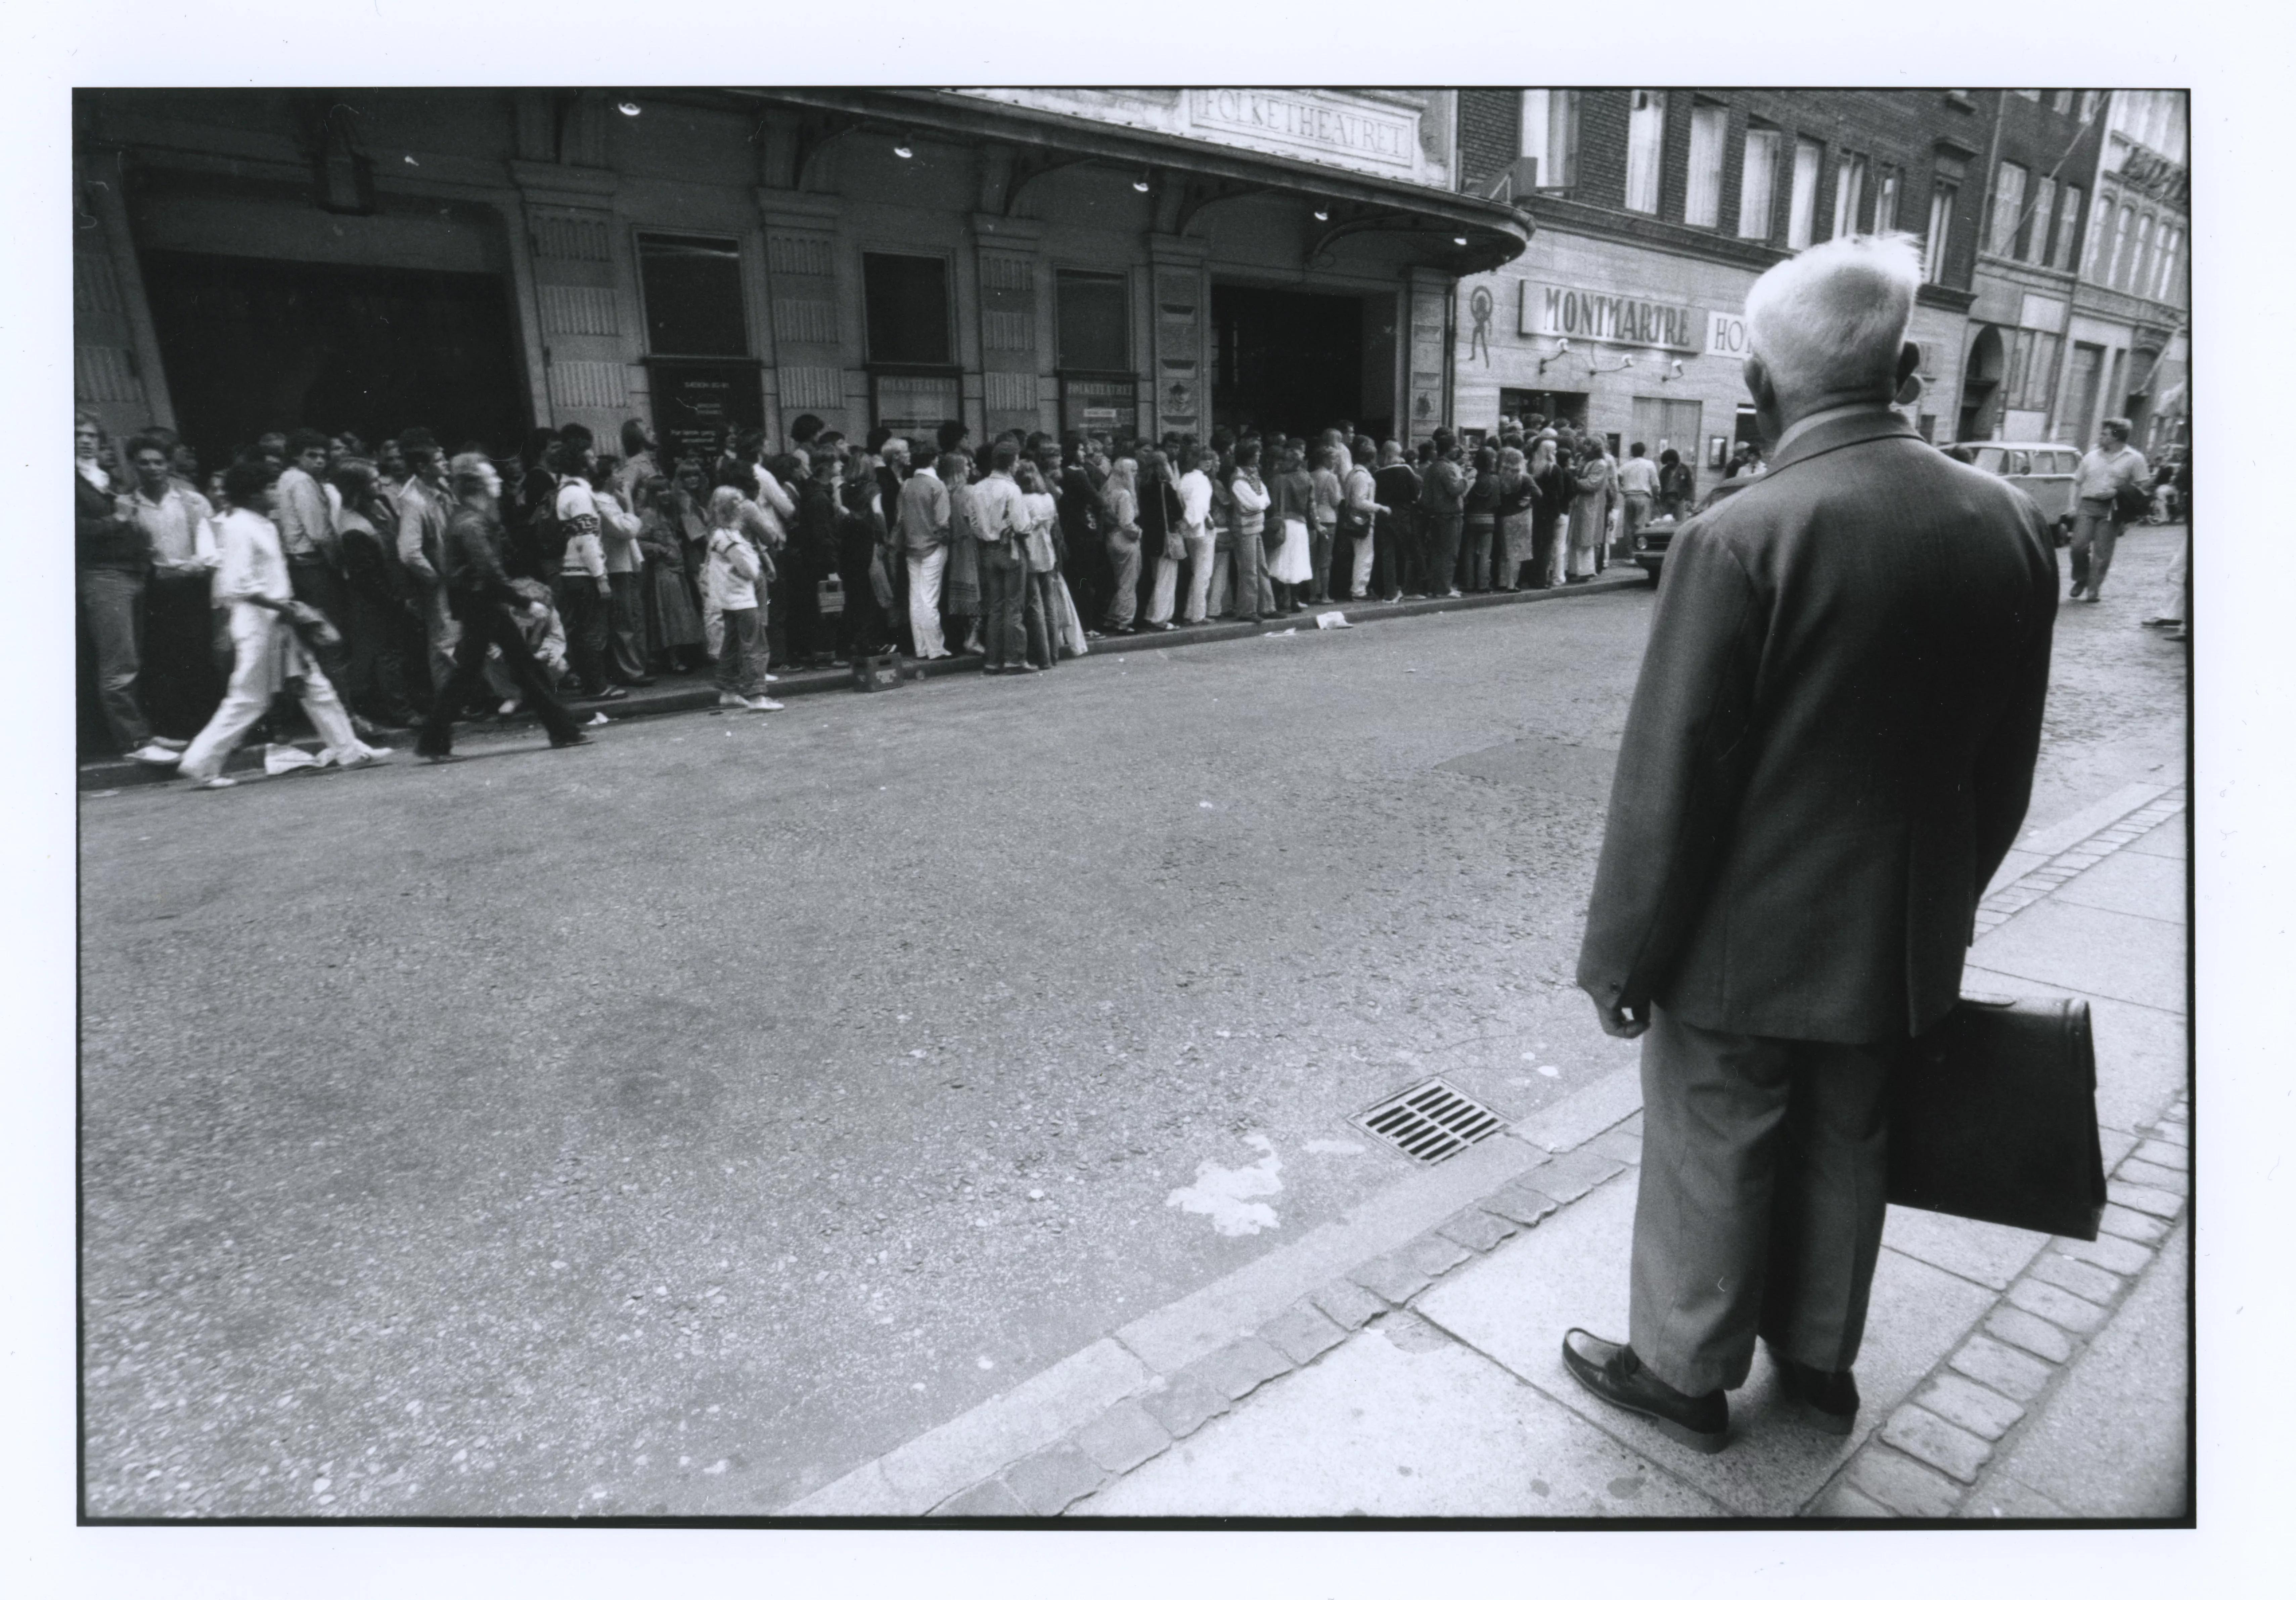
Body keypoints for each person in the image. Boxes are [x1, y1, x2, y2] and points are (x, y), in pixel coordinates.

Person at [1563, 233, 2058, 1455]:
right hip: (1898, 933)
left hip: (1744, 936)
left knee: (1712, 1136)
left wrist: (1620, 961)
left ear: (1760, 388)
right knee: (1850, 1134)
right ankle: (1820, 1358)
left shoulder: (1741, 535)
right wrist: (1939, 899)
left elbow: (1669, 785)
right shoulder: (2006, 521)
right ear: (1903, 371)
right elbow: (2005, 767)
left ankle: (1680, 1370)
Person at [178, 459, 393, 787]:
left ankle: (349, 750)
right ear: (251, 493)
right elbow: (237, 584)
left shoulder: (261, 524)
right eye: (268, 487)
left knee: (315, 686)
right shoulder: (239, 527)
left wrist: (286, 610)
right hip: (260, 623)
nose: (274, 493)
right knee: (249, 698)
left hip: (277, 619)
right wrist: (284, 607)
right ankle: (200, 762)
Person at [415, 454, 592, 760]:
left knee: (510, 668)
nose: (498, 481)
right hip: (482, 603)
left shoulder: (471, 517)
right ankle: (563, 730)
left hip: (482, 603)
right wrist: (525, 602)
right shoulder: (471, 522)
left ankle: (563, 730)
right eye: (491, 478)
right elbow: (488, 571)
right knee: (502, 669)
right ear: (477, 486)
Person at [78, 415, 179, 766]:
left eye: (91, 435)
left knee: (131, 660)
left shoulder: (103, 477)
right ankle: (134, 740)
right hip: (103, 575)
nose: (86, 441)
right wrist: (117, 520)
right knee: (119, 665)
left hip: (130, 571)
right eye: (77, 435)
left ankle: (143, 733)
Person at [124, 431, 222, 742]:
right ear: (134, 466)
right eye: (144, 463)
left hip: (191, 587)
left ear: (169, 465)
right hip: (153, 590)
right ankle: (179, 729)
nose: (153, 469)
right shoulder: (128, 505)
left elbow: (216, 546)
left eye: (159, 462)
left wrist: (197, 564)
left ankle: (212, 730)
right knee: (164, 661)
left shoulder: (193, 501)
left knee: (200, 656)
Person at [331, 459, 422, 730]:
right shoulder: (353, 527)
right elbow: (367, 580)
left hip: (395, 591)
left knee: (396, 651)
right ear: (357, 487)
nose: (379, 484)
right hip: (378, 601)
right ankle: (401, 711)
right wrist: (396, 602)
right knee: (388, 654)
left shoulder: (376, 506)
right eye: (372, 480)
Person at [702, 486, 781, 710]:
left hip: (729, 599)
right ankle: (757, 694)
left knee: (732, 644)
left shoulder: (719, 534)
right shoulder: (728, 536)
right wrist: (755, 563)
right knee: (755, 644)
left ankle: (728, 690)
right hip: (741, 598)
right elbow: (749, 569)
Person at [2068, 417, 2150, 603]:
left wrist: (2118, 491)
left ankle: (2093, 589)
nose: (2100, 437)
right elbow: (2077, 482)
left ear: (2116, 436)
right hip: (2088, 506)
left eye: (2104, 434)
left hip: (2113, 509)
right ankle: (2081, 579)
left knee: (2102, 552)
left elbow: (2144, 486)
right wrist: (2072, 506)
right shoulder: (2091, 457)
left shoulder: (2135, 459)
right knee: (2077, 547)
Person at [972, 439, 1034, 674]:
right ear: (1010, 463)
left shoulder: (978, 487)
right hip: (1011, 549)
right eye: (1017, 460)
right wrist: (1029, 525)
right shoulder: (1012, 489)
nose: (1018, 465)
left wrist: (987, 533)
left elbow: (974, 523)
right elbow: (1022, 525)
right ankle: (1015, 658)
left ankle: (993, 660)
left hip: (988, 549)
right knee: (1014, 607)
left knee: (996, 607)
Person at [635, 476, 707, 674]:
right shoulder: (649, 515)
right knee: (669, 615)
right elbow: (638, 542)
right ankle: (673, 660)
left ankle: (679, 657)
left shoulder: (668, 514)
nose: (665, 494)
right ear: (652, 495)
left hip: (677, 569)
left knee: (678, 614)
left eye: (667, 489)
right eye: (660, 491)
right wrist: (659, 548)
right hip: (663, 571)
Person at [1138, 449, 1185, 632]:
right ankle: (1161, 618)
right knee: (1166, 580)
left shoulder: (1143, 485)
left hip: (1150, 539)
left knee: (1155, 578)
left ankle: (1151, 615)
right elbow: (1178, 513)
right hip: (1167, 539)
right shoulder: (1165, 488)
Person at [1227, 440, 1275, 619]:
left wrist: (1260, 503)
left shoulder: (1252, 476)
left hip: (1255, 527)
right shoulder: (1239, 479)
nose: (1259, 456)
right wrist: (1260, 502)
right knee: (1249, 571)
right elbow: (1257, 503)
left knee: (1261, 568)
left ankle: (1267, 607)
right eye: (1256, 453)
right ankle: (1248, 610)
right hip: (1245, 529)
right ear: (1248, 456)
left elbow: (1264, 501)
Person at [1420, 430, 1468, 599]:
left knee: (1438, 552)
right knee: (1449, 553)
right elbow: (1456, 490)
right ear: (1448, 449)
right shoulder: (1447, 468)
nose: (1457, 450)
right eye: (1455, 447)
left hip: (1436, 515)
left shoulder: (1434, 467)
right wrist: (1466, 478)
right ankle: (1444, 588)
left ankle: (1435, 587)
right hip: (1450, 515)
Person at [1100, 453, 1143, 636]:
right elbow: (1127, 523)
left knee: (1121, 581)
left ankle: (1113, 616)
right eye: (1134, 472)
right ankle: (1125, 621)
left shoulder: (1108, 491)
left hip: (1111, 538)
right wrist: (1139, 532)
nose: (1136, 475)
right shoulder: (1125, 494)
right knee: (1129, 582)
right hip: (1125, 539)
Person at [1371, 442, 1419, 601]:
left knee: (1388, 555)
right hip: (1404, 516)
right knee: (1408, 553)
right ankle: (1408, 589)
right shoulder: (1406, 471)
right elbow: (1415, 495)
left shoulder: (1378, 474)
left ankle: (1391, 592)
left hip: (1384, 517)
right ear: (1398, 454)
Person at [1176, 446, 1218, 624]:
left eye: (1210, 459)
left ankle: (1191, 612)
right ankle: (1198, 614)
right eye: (1204, 459)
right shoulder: (1201, 480)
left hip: (1190, 529)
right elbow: (1197, 506)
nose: (1208, 462)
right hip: (1201, 529)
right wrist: (1204, 519)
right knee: (1203, 573)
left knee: (1197, 572)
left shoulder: (1186, 478)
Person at [1565, 436, 1613, 583]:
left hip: (1590, 504)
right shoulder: (1584, 460)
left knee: (1585, 538)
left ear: (1595, 448)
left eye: (1588, 445)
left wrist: (1574, 481)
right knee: (1576, 538)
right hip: (1579, 504)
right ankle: (1572, 569)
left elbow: (1592, 484)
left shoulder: (1601, 464)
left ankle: (1585, 571)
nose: (1584, 447)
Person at [1461, 445, 1502, 593]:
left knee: (1469, 552)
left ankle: (1469, 583)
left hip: (1471, 519)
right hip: (1488, 520)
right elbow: (1497, 503)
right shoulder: (1495, 480)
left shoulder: (1473, 478)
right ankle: (1483, 584)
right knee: (1486, 553)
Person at [1618, 442, 1660, 553]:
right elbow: (1655, 484)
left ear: (1632, 452)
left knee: (1629, 525)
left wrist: (1622, 490)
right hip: (1643, 496)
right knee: (1641, 526)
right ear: (1644, 452)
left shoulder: (1625, 466)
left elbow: (1617, 478)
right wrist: (1656, 494)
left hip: (1629, 496)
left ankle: (1630, 552)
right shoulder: (1649, 464)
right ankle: (1640, 550)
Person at [1657, 447, 1696, 522]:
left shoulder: (1684, 469)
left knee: (1680, 521)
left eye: (1671, 461)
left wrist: (1690, 500)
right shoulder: (1664, 471)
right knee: (1666, 521)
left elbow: (1690, 485)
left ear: (1675, 459)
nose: (1669, 463)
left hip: (1680, 499)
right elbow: (1661, 486)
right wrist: (1661, 501)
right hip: (1667, 499)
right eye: (1667, 462)